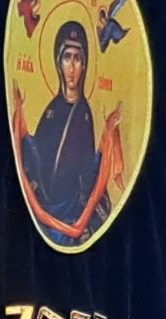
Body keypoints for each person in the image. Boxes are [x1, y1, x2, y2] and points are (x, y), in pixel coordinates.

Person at [13, 20, 113, 245]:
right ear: (58, 63)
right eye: (67, 57)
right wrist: (19, 121)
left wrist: (108, 142)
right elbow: (36, 159)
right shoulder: (52, 110)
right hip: (43, 208)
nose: (72, 67)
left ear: (84, 65)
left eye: (77, 59)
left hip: (72, 212)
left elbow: (87, 173)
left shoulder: (84, 114)